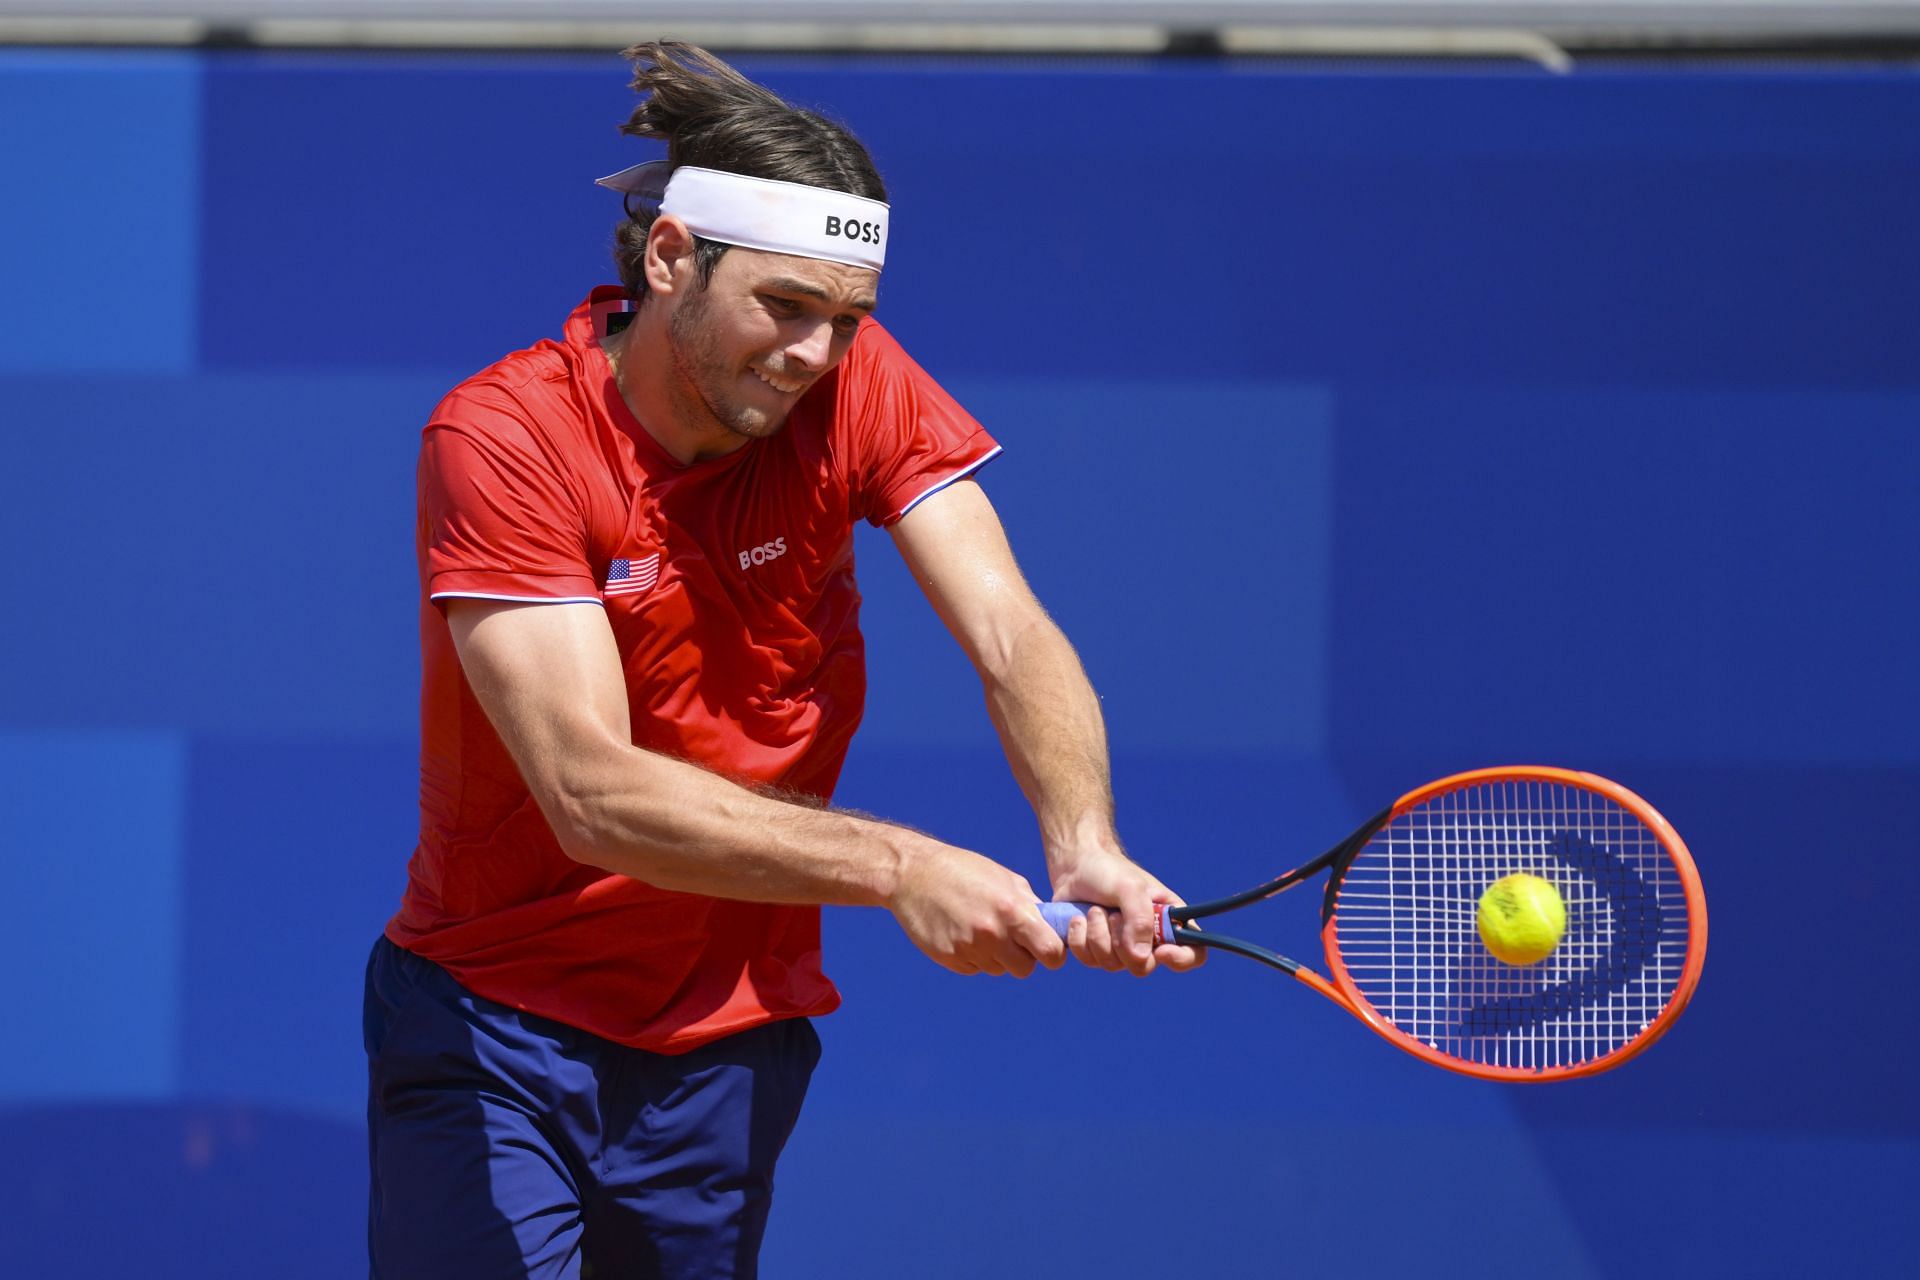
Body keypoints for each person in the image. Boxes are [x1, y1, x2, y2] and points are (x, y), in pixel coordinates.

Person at [364, 41, 1201, 1280]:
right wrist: (900, 862)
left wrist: (1083, 837)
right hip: (495, 1025)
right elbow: (591, 793)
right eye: (785, 306)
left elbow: (1010, 626)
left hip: (729, 1041)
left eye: (845, 319)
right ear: (669, 259)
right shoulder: (504, 437)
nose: (815, 353)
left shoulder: (856, 384)